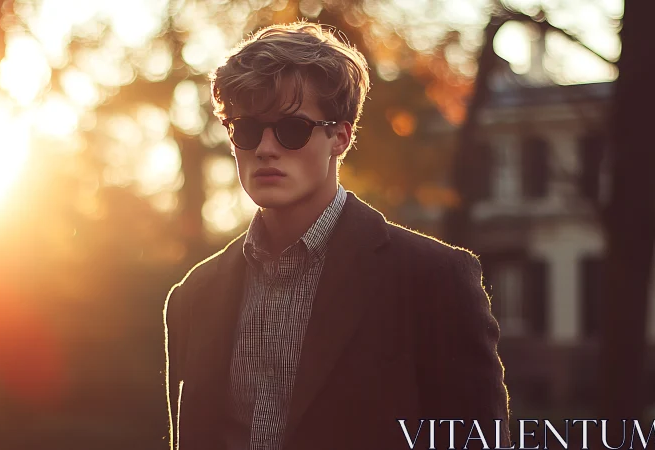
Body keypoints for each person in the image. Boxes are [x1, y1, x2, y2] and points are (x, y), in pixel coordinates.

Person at [164, 21, 510, 450]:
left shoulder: (434, 279)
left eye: (291, 129)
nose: (266, 148)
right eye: (248, 129)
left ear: (340, 138)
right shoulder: (195, 294)